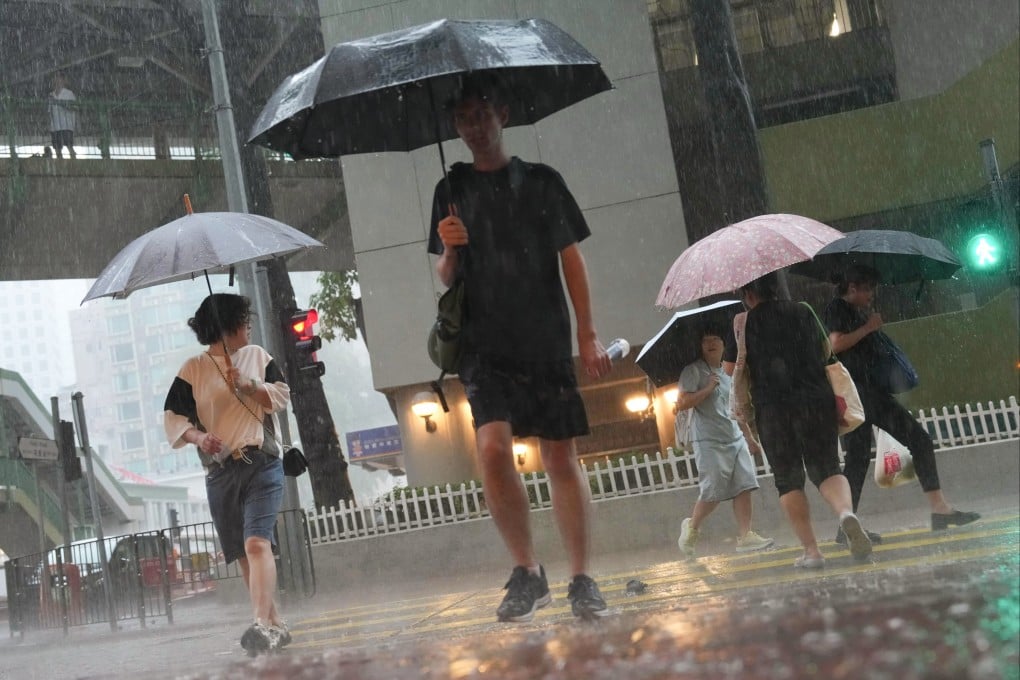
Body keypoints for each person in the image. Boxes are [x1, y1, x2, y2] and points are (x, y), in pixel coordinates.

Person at [427, 73, 613, 622]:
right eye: (463, 119)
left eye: (482, 115)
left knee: (559, 455)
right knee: (491, 450)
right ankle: (528, 571)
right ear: (455, 126)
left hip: (544, 337)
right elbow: (445, 276)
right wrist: (450, 250)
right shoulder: (450, 189)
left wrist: (586, 333)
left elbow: (571, 259)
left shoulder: (542, 182)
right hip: (483, 345)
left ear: (503, 115)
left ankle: (581, 576)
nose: (474, 127)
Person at [163, 293, 292, 653]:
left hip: (261, 463)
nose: (249, 325)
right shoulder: (193, 370)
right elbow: (173, 419)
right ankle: (276, 626)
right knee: (243, 553)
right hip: (220, 473)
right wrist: (199, 437)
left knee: (256, 543)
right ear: (226, 326)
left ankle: (261, 624)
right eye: (243, 320)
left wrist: (250, 385)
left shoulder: (257, 356)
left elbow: (281, 396)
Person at [823, 264, 979, 541]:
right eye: (868, 289)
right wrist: (869, 327)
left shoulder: (855, 310)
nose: (872, 294)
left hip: (865, 394)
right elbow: (835, 344)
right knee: (917, 440)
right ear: (853, 287)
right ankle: (938, 509)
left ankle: (847, 527)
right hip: (862, 395)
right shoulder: (837, 308)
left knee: (859, 460)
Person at [733, 272, 872, 568]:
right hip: (816, 400)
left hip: (773, 410)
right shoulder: (803, 310)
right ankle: (845, 513)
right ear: (775, 287)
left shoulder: (744, 323)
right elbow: (826, 351)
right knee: (827, 468)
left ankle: (812, 552)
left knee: (788, 480)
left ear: (748, 294)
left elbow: (738, 371)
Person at [676, 326, 774, 557]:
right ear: (700, 346)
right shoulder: (693, 371)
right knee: (713, 490)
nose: (711, 343)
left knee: (744, 484)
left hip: (734, 436)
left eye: (716, 339)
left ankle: (746, 535)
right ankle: (692, 527)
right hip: (708, 439)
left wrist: (748, 437)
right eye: (706, 340)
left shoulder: (728, 372)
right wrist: (708, 388)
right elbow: (682, 403)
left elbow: (735, 408)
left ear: (723, 344)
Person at [48, 72, 76, 159]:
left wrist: (60, 103)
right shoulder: (51, 95)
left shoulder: (69, 93)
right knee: (57, 149)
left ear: (63, 80)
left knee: (69, 146)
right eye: (55, 78)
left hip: (66, 125)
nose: (56, 80)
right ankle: (60, 163)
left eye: (59, 78)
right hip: (55, 126)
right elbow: (50, 111)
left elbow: (73, 107)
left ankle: (74, 163)